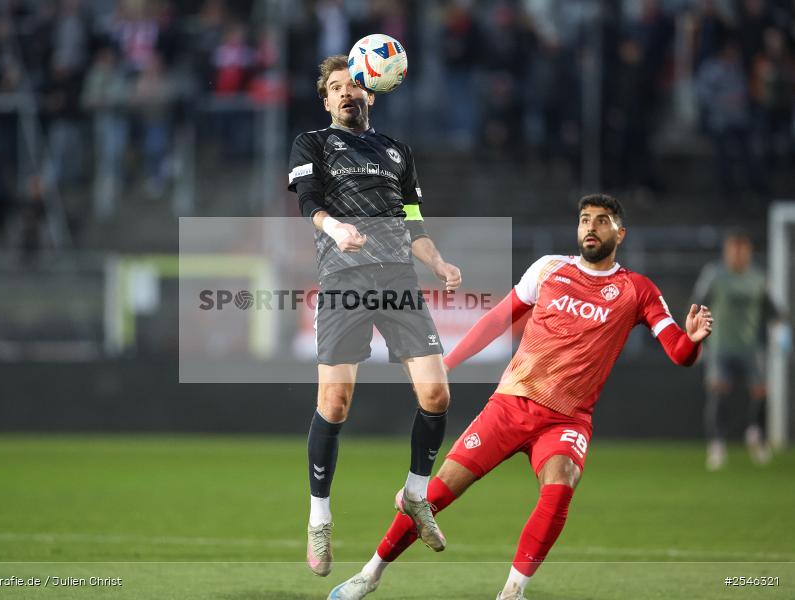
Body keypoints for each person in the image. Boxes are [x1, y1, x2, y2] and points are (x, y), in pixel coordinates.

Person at [328, 194, 713, 600]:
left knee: (561, 484)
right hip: (511, 404)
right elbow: (498, 319)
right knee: (435, 493)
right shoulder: (549, 269)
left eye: (602, 221)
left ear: (620, 232)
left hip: (567, 419)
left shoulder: (637, 290)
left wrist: (693, 340)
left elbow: (679, 352)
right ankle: (369, 575)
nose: (591, 228)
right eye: (585, 220)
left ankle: (512, 592)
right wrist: (448, 363)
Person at [287, 55, 463, 577]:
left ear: (373, 93)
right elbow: (307, 202)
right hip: (343, 278)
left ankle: (414, 494)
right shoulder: (312, 144)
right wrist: (335, 228)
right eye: (335, 88)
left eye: (353, 86)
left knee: (437, 394)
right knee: (335, 402)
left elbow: (413, 222)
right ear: (326, 101)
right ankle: (319, 516)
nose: (346, 94)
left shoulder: (397, 152)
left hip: (398, 280)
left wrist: (437, 261)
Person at [692, 230, 790, 470]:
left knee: (760, 391)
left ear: (748, 252)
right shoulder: (714, 275)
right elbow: (697, 304)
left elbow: (774, 311)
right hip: (719, 345)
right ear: (727, 252)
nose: (737, 255)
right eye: (733, 250)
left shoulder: (758, 278)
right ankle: (716, 446)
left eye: (742, 250)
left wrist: (781, 330)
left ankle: (755, 434)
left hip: (751, 347)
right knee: (718, 391)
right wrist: (695, 340)